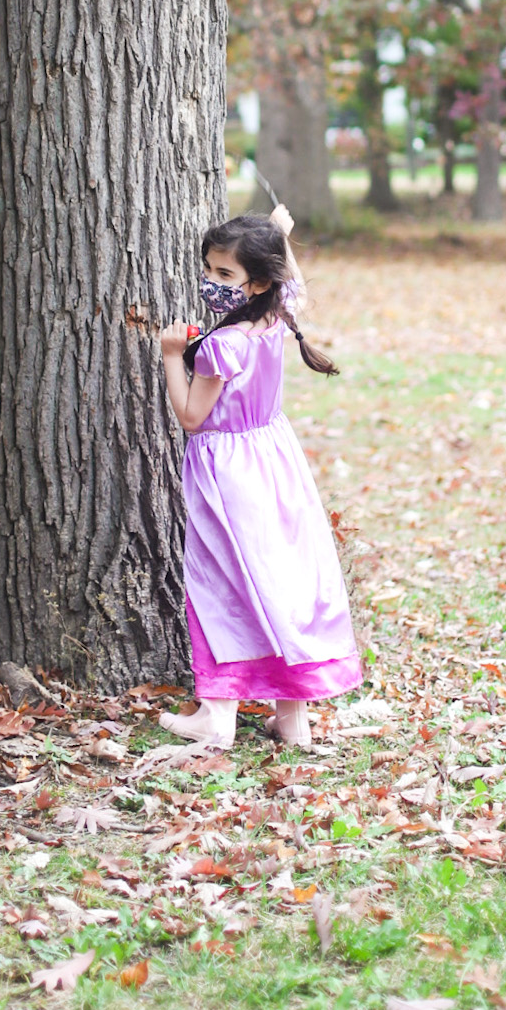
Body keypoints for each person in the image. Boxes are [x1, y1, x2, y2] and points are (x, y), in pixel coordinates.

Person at [159, 208, 360, 750]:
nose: (211, 283)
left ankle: (216, 717)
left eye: (225, 275)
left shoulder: (223, 345)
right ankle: (293, 720)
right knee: (281, 582)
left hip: (228, 472)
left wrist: (173, 356)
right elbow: (291, 285)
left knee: (223, 581)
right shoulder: (276, 320)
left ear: (258, 281)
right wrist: (281, 236)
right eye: (209, 270)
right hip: (275, 462)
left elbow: (192, 417)